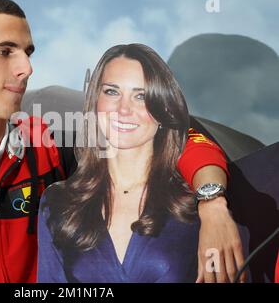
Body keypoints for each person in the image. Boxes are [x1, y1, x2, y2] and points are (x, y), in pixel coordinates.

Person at [0, 0, 242, 283]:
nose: (26, 67)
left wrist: (212, 203)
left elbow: (168, 132)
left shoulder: (43, 149)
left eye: (27, 51)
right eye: (5, 51)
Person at [38, 43, 245, 283]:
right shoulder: (58, 201)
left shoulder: (194, 202)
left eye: (141, 96)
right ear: (94, 101)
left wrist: (213, 206)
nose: (124, 109)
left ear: (163, 108)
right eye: (112, 92)